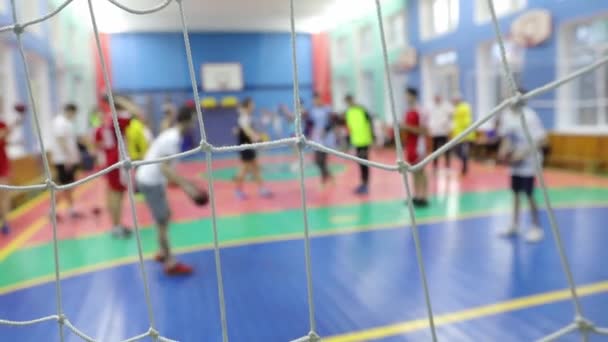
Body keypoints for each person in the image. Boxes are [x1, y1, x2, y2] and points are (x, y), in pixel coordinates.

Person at [136, 105, 201, 275]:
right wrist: (188, 188)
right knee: (162, 222)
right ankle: (170, 263)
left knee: (165, 217)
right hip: (151, 181)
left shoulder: (173, 135)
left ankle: (162, 253)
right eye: (193, 121)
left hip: (152, 179)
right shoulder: (173, 139)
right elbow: (165, 168)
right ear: (187, 121)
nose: (194, 125)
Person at [497, 95, 546, 243]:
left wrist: (522, 153)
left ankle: (536, 227)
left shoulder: (530, 116)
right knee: (515, 193)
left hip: (529, 162)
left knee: (529, 193)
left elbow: (542, 140)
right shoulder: (506, 115)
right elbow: (506, 137)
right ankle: (514, 225)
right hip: (515, 162)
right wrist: (503, 150)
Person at [94, 96, 138, 238]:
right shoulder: (117, 120)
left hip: (109, 160)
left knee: (112, 193)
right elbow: (137, 113)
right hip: (117, 161)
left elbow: (97, 144)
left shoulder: (105, 123)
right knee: (116, 195)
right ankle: (116, 226)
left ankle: (116, 225)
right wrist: (120, 100)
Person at [234, 98, 272, 199]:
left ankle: (262, 189)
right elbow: (247, 131)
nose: (253, 106)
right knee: (244, 169)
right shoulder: (243, 118)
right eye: (252, 104)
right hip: (245, 147)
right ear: (248, 106)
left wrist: (257, 138)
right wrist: (258, 139)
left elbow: (251, 130)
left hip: (249, 146)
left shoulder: (247, 117)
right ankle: (238, 191)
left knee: (255, 168)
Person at [51, 103, 82, 220]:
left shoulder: (67, 122)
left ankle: (71, 209)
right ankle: (52, 211)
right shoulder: (60, 122)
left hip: (69, 160)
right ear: (70, 111)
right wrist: (68, 158)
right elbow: (61, 140)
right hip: (63, 160)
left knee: (68, 185)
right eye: (74, 113)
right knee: (62, 186)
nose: (74, 116)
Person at [0, 103, 25, 234]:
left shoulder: (2, 123)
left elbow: (4, 140)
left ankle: (5, 222)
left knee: (4, 195)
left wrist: (17, 141)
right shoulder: (4, 126)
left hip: (2, 164)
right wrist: (14, 123)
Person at [402, 87, 429, 207]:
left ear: (413, 96)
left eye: (407, 95)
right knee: (413, 171)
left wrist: (407, 127)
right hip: (410, 145)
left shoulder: (420, 111)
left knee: (421, 171)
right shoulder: (408, 111)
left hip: (419, 145)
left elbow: (424, 131)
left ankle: (424, 197)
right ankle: (416, 196)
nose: (406, 98)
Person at [344, 94, 374, 195]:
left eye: (350, 101)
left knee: (365, 163)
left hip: (364, 140)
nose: (349, 103)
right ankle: (363, 184)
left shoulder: (362, 110)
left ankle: (366, 185)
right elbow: (349, 127)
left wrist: (372, 136)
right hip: (356, 141)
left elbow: (370, 122)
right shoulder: (348, 112)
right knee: (360, 163)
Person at [308, 92, 335, 187]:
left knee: (322, 160)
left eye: (317, 99)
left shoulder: (327, 109)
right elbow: (310, 124)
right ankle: (328, 176)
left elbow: (331, 123)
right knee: (317, 161)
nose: (315, 101)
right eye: (314, 100)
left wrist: (325, 130)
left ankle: (324, 179)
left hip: (326, 138)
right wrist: (308, 134)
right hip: (317, 137)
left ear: (320, 99)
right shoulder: (312, 111)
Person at [451, 94, 475, 176]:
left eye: (454, 100)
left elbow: (467, 122)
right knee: (458, 152)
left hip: (465, 135)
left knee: (464, 153)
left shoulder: (464, 107)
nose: (453, 102)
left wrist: (466, 135)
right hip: (458, 135)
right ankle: (464, 168)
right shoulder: (456, 108)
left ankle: (464, 169)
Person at [428, 95, 453, 170]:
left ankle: (447, 165)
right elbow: (431, 119)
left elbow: (451, 114)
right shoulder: (432, 107)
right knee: (435, 150)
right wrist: (431, 128)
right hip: (435, 132)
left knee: (446, 149)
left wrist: (448, 126)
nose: (436, 100)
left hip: (443, 132)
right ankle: (435, 165)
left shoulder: (446, 106)